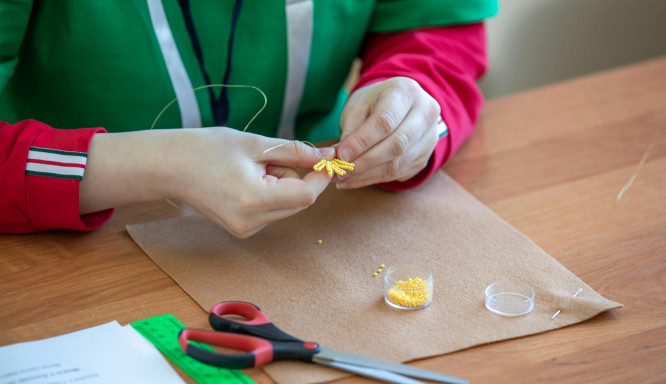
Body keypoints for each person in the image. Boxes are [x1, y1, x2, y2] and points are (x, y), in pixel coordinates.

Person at [0, 1, 497, 237]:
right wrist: (149, 165)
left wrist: (412, 111)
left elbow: (435, 27)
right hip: (72, 254)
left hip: (316, 228)